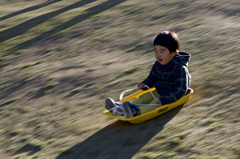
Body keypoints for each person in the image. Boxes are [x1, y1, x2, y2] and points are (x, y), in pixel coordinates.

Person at [105, 31, 191, 117]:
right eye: (156, 50)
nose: (158, 55)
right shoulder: (158, 64)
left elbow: (181, 89)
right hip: (159, 91)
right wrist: (145, 83)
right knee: (144, 98)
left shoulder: (179, 68)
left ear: (173, 53)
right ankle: (121, 109)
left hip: (170, 95)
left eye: (162, 51)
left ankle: (136, 111)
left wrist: (165, 99)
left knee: (154, 103)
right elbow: (152, 77)